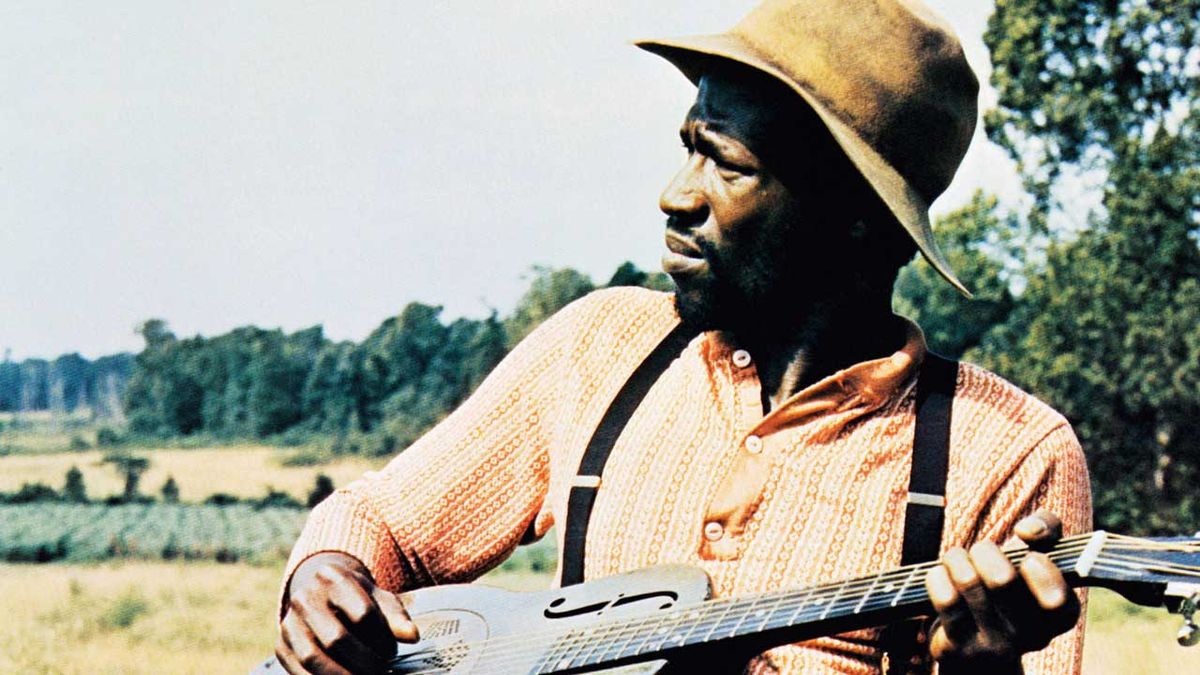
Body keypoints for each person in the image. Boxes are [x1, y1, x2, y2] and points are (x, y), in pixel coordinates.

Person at [273, 0, 1091, 673]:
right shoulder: (599, 348)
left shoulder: (1011, 452)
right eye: (687, 148)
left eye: (725, 163)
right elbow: (382, 519)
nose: (675, 195)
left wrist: (986, 669)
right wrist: (327, 571)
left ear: (856, 217)